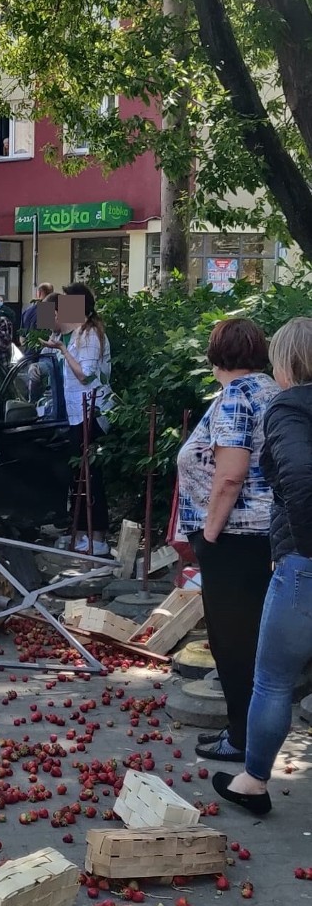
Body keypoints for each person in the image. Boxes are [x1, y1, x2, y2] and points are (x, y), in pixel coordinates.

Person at [211, 318, 312, 814]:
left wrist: (303, 547)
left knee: (272, 678)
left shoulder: (291, 407)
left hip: (304, 564)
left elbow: (296, 475)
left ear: (288, 362)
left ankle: (253, 782)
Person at [176, 318, 278, 765]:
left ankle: (241, 738)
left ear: (217, 355)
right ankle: (246, 730)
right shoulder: (271, 391)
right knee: (252, 637)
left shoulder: (237, 397)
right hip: (265, 534)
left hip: (234, 536)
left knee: (232, 641)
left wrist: (209, 537)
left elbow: (230, 474)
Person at [43, 283, 112, 555]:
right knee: (78, 475)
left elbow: (86, 375)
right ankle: (81, 532)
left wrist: (62, 350)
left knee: (91, 475)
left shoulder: (91, 335)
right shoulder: (71, 335)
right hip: (74, 414)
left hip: (92, 412)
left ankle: (98, 536)